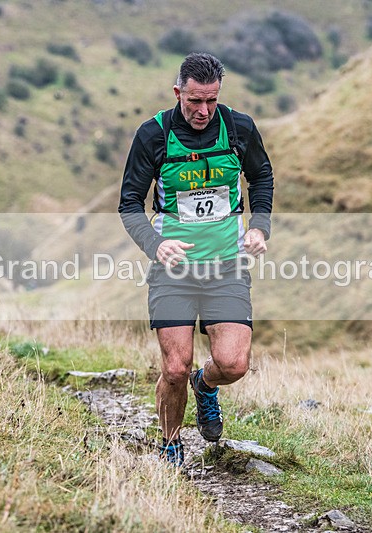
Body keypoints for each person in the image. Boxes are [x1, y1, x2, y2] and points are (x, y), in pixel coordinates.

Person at [118, 53, 274, 466]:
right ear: (177, 93)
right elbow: (129, 203)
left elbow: (261, 177)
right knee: (174, 367)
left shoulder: (239, 127)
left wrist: (259, 227)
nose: (203, 111)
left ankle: (205, 387)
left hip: (226, 266)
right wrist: (155, 245)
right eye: (194, 101)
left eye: (211, 101)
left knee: (234, 363)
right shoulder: (152, 135)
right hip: (173, 272)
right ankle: (170, 445)